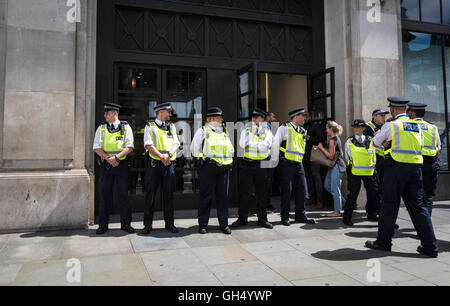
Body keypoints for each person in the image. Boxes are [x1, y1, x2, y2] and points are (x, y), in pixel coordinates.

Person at [365, 97, 438, 258]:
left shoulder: (392, 125)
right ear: (405, 109)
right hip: (415, 169)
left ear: (392, 109)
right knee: (419, 207)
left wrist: (386, 142)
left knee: (389, 206)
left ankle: (384, 242)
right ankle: (430, 246)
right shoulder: (418, 126)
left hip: (396, 168)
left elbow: (376, 142)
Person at [191, 107, 235, 235]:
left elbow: (231, 149)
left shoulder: (224, 131)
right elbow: (194, 149)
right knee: (206, 197)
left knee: (223, 198)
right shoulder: (203, 131)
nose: (222, 119)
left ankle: (224, 224)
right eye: (220, 117)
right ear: (213, 118)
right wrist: (205, 161)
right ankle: (203, 225)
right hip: (208, 168)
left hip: (224, 169)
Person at [93, 102, 135, 235]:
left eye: (107, 113)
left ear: (115, 113)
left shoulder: (126, 127)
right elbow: (96, 147)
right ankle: (103, 225)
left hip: (121, 165)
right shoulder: (101, 128)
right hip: (106, 165)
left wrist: (116, 158)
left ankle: (126, 224)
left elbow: (130, 146)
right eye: (105, 113)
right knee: (104, 195)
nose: (105, 115)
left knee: (123, 195)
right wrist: (108, 158)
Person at [272, 107, 315, 226]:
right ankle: (284, 217)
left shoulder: (303, 130)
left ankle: (300, 215)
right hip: (286, 164)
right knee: (287, 191)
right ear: (296, 116)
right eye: (303, 116)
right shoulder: (284, 128)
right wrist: (274, 163)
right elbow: (275, 145)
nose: (305, 118)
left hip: (299, 164)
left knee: (301, 191)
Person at [232, 108, 274, 229]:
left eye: (257, 118)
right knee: (244, 193)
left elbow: (266, 145)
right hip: (248, 165)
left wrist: (250, 143)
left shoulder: (267, 131)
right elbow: (241, 145)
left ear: (262, 119)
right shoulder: (246, 129)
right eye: (253, 118)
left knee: (262, 193)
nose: (254, 120)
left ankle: (262, 219)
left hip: (262, 165)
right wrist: (251, 134)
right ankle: (242, 218)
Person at [142, 103, 180, 235]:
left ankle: (170, 224)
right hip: (154, 165)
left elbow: (176, 143)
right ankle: (147, 225)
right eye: (168, 112)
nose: (170, 115)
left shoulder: (171, 126)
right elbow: (148, 144)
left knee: (168, 195)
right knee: (150, 196)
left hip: (169, 164)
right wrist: (161, 157)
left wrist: (168, 155)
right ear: (161, 112)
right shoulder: (150, 126)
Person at [343, 119, 381, 226]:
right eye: (355, 127)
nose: (356, 129)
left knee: (375, 194)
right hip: (354, 172)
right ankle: (347, 218)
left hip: (369, 172)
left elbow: (378, 150)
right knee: (353, 195)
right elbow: (347, 156)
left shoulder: (371, 140)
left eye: (359, 127)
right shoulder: (349, 141)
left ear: (364, 128)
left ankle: (379, 216)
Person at [407, 102, 441, 216]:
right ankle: (427, 221)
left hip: (415, 164)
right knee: (429, 194)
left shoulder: (409, 126)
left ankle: (421, 224)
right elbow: (438, 148)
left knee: (415, 195)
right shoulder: (433, 127)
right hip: (431, 165)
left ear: (412, 112)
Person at [317, 121, 346, 217]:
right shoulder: (336, 138)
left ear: (330, 129)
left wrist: (321, 148)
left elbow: (330, 156)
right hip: (335, 166)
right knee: (327, 186)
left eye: (326, 128)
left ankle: (337, 211)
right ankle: (343, 201)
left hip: (337, 166)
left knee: (335, 189)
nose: (326, 131)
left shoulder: (332, 140)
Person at [303, 112, 325, 209]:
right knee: (308, 178)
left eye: (306, 117)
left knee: (316, 177)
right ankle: (311, 198)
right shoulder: (301, 127)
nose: (305, 119)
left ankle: (320, 200)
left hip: (314, 155)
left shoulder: (315, 126)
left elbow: (321, 139)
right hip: (304, 156)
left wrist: (309, 137)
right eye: (303, 117)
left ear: (309, 117)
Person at [262, 111, 278, 213]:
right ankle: (264, 205)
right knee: (266, 183)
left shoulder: (269, 126)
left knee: (269, 182)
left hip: (271, 158)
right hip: (266, 158)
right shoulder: (264, 126)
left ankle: (268, 203)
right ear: (268, 117)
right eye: (273, 116)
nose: (275, 118)